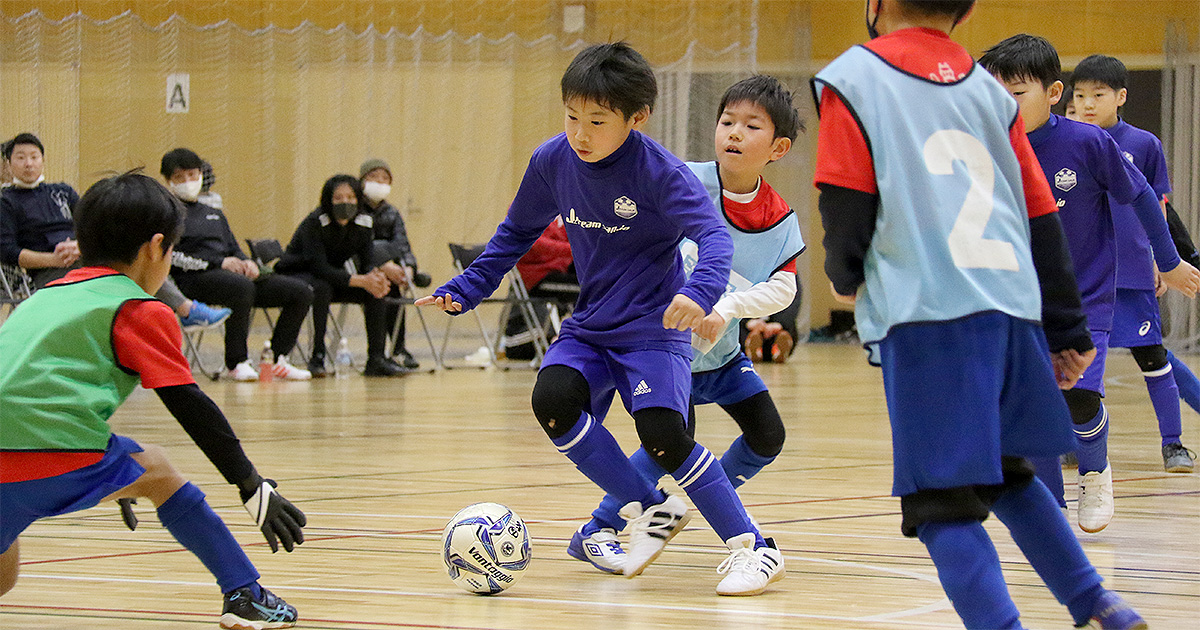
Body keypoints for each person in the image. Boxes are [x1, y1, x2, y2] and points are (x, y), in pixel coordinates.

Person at [813, 1, 1147, 628]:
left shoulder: (852, 78)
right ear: (964, 11)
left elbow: (845, 199)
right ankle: (1099, 603)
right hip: (1011, 307)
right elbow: (1041, 214)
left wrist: (847, 277)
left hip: (928, 313)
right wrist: (1067, 326)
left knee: (941, 504)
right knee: (1010, 471)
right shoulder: (987, 89)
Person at [418, 42, 781, 596]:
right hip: (590, 326)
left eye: (596, 120)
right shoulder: (552, 161)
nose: (580, 134)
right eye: (570, 116)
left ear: (636, 118)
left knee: (664, 435)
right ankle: (649, 507)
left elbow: (713, 237)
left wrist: (702, 294)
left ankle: (754, 548)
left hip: (652, 329)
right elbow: (515, 234)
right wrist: (465, 289)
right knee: (552, 402)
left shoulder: (660, 172)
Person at [0, 171, 303, 629]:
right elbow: (189, 404)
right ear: (155, 248)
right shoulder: (138, 308)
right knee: (158, 469)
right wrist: (250, 485)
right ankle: (244, 593)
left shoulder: (43, 298)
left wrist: (109, 469)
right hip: (53, 455)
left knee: (4, 577)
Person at [570, 74, 804, 577]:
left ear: (778, 147)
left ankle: (706, 498)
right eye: (726, 122)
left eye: (750, 126)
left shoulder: (781, 219)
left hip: (721, 358)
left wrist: (729, 308)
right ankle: (596, 530)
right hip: (665, 353)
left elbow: (785, 288)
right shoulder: (682, 180)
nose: (734, 133)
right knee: (665, 448)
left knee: (767, 435)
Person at [979, 35, 1199, 533]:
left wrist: (1167, 263)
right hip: (1013, 299)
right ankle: (1051, 513)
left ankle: (1096, 472)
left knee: (1078, 396)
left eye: (1015, 95)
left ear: (1054, 92)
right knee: (1031, 408)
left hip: (1085, 300)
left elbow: (1143, 198)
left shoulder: (1087, 143)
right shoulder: (982, 148)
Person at [1071, 54, 1198, 474]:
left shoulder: (1143, 145)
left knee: (1153, 358)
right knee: (1077, 363)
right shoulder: (1068, 142)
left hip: (1132, 273)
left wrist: (1164, 264)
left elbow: (1157, 206)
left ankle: (1173, 444)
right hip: (1085, 276)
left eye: (1098, 95)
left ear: (1120, 97)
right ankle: (1078, 443)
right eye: (1081, 95)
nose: (1088, 104)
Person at [0, 133, 230, 331]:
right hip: (45, 272)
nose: (28, 163)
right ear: (9, 164)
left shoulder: (62, 191)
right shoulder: (6, 201)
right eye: (21, 158)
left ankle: (164, 318)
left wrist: (81, 246)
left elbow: (93, 222)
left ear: (42, 160)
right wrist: (53, 259)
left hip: (85, 257)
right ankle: (182, 311)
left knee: (136, 256)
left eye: (34, 157)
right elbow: (7, 251)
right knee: (126, 264)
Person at [162, 148, 314, 381]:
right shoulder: (165, 214)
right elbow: (173, 256)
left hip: (232, 275)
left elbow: (232, 247)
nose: (188, 182)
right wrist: (220, 262)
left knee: (300, 291)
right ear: (168, 181)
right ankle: (237, 361)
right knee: (240, 287)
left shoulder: (214, 213)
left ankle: (276, 358)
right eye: (180, 177)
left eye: (192, 175)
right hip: (191, 280)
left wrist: (246, 262)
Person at [276, 174, 404, 377]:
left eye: (351, 197)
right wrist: (362, 281)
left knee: (375, 291)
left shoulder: (364, 223)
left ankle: (377, 359)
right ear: (329, 200)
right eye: (339, 198)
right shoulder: (315, 222)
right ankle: (317, 356)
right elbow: (319, 268)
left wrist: (374, 278)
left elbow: (367, 260)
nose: (346, 202)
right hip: (299, 275)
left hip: (333, 276)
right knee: (322, 287)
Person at [359, 158, 428, 370]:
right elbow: (358, 246)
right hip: (363, 269)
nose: (379, 182)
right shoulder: (355, 210)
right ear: (362, 180)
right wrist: (382, 266)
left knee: (396, 289)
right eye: (374, 177)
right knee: (380, 287)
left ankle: (399, 348)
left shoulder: (392, 212)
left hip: (391, 271)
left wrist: (408, 267)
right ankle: (378, 354)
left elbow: (402, 244)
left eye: (385, 178)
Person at [502, 215, 578, 361]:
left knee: (599, 282)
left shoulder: (566, 210)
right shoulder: (526, 206)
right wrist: (574, 249)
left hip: (559, 272)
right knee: (589, 291)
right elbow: (535, 243)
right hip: (537, 276)